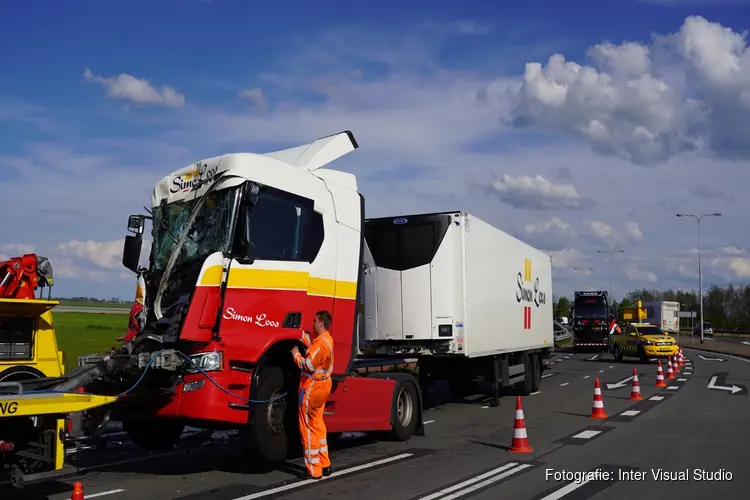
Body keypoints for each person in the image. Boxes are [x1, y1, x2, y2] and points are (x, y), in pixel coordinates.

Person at [291, 310, 335, 480]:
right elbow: (311, 343)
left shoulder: (320, 345)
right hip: (323, 385)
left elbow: (308, 364)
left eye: (315, 321)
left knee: (307, 427)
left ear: (321, 323)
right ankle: (325, 464)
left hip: (312, 387)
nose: (313, 323)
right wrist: (299, 333)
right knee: (317, 423)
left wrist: (296, 356)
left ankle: (313, 470)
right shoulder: (326, 340)